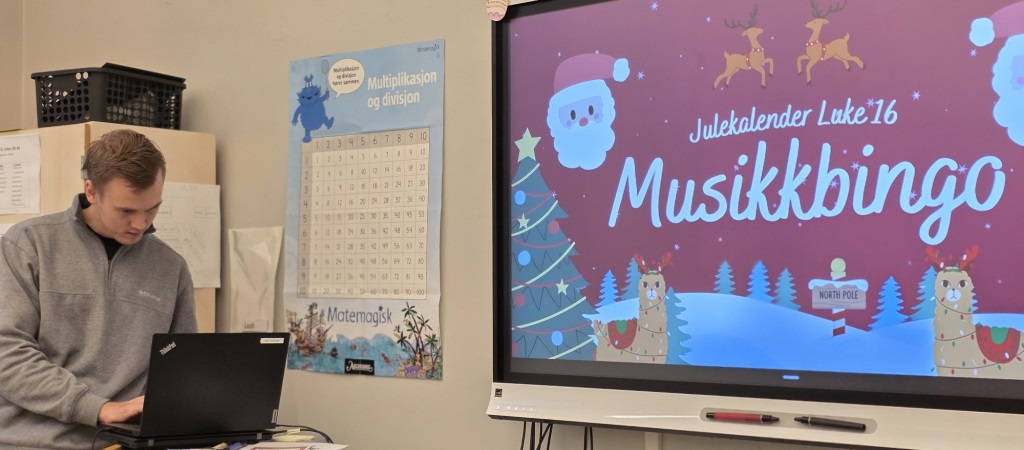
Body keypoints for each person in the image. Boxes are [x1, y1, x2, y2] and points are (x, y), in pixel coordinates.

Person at [0, 129, 197, 448]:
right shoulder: (28, 245)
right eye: (126, 211)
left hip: (125, 443)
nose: (141, 223)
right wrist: (98, 408)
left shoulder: (171, 267)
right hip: (35, 443)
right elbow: (7, 354)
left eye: (152, 208)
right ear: (91, 191)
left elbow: (181, 369)